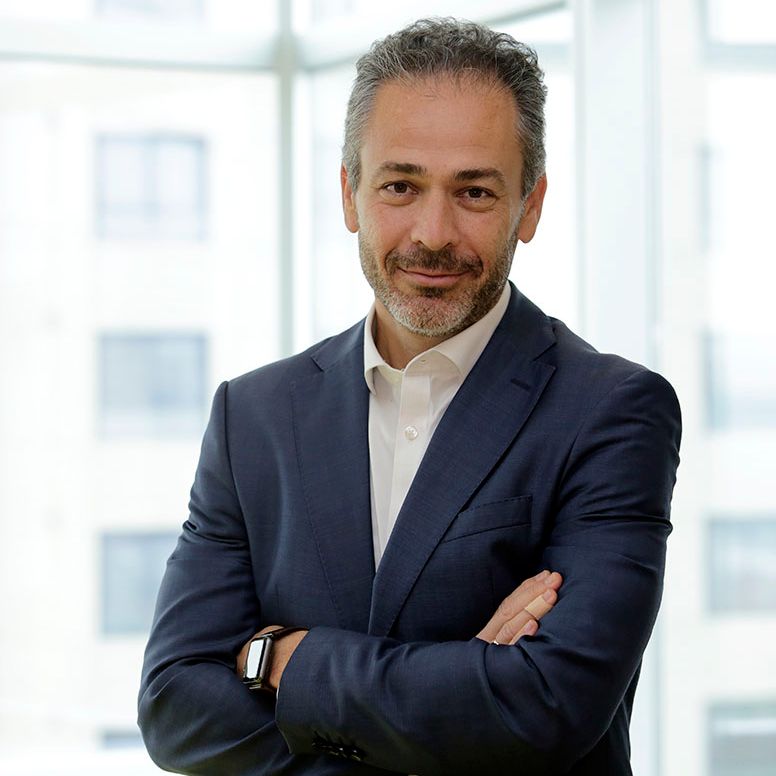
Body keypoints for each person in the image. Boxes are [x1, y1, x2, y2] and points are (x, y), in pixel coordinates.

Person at [138, 17, 681, 776]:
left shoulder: (613, 412)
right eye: (400, 185)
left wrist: (286, 660)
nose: (432, 232)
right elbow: (175, 709)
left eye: (475, 192)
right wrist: (461, 693)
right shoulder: (253, 416)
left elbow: (547, 706)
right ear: (349, 194)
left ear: (529, 206)